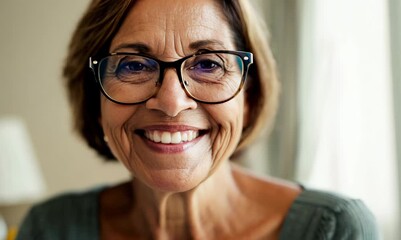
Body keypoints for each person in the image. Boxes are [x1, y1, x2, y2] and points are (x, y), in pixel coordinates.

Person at [16, 0, 379, 239]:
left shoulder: (332, 229)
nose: (172, 103)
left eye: (209, 64)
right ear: (95, 98)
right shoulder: (50, 228)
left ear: (248, 98)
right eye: (134, 65)